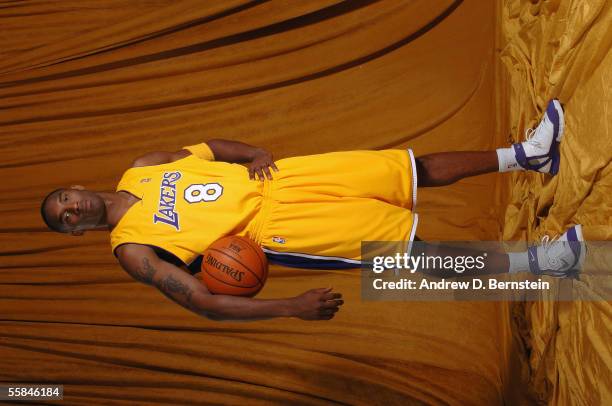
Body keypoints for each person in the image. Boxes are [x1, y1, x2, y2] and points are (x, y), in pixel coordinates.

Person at [40, 99, 584, 321]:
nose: (71, 209)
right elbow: (204, 303)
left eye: (64, 198)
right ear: (74, 233)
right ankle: (542, 265)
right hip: (279, 230)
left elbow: (209, 149)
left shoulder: (142, 166)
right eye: (64, 217)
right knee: (412, 254)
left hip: (286, 177)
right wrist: (289, 306)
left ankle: (528, 155)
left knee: (406, 168)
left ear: (76, 187)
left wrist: (253, 152)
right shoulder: (131, 251)